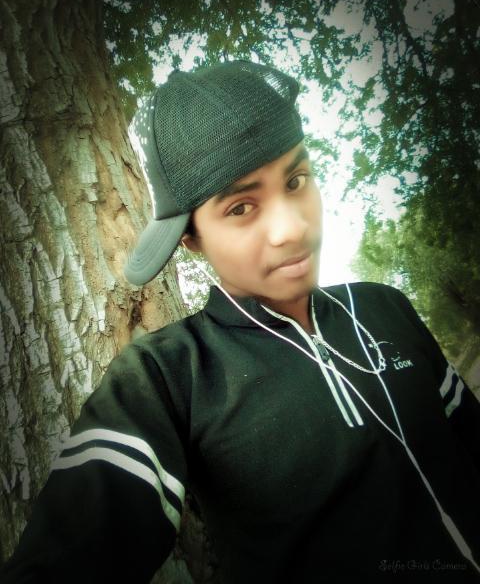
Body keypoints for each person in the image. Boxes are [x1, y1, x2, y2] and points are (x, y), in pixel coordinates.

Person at [1, 60, 480, 583]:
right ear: (191, 238)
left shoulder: (386, 307)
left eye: (296, 180)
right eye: (240, 207)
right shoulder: (169, 377)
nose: (291, 228)